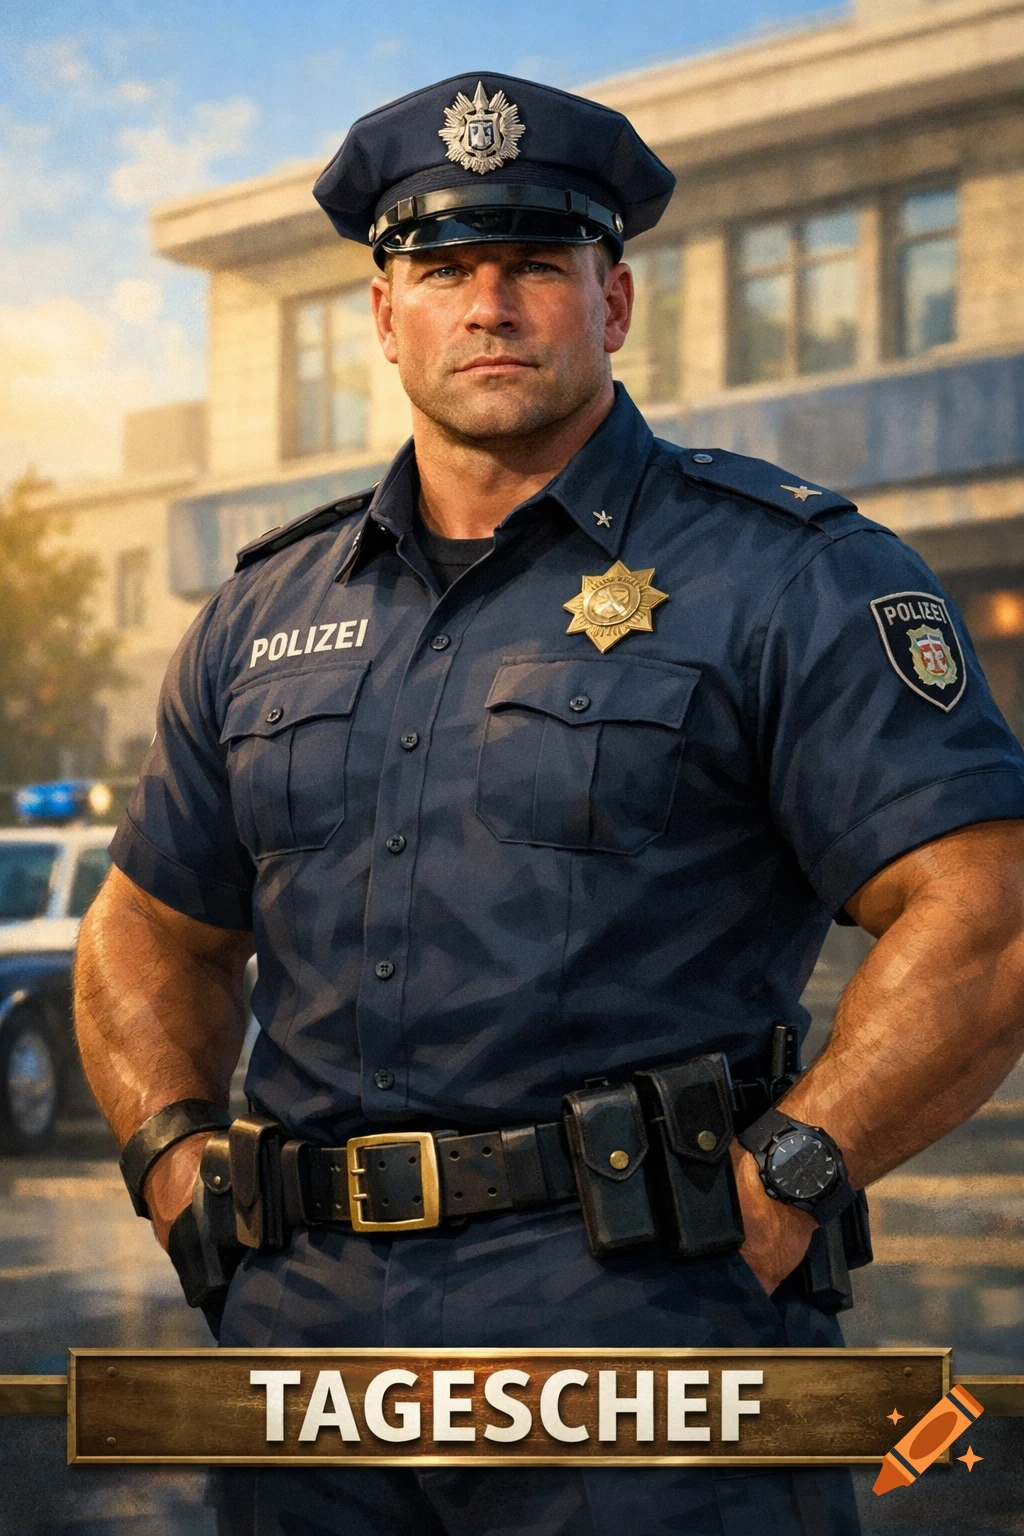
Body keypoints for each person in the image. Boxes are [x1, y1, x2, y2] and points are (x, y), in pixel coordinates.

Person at [74, 71, 1024, 1536]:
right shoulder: (260, 613)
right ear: (384, 319)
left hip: (652, 1347)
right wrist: (173, 1169)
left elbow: (985, 908)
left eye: (535, 264)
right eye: (444, 269)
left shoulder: (789, 574)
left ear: (615, 302)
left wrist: (786, 1183)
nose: (490, 305)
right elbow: (147, 931)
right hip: (311, 1365)